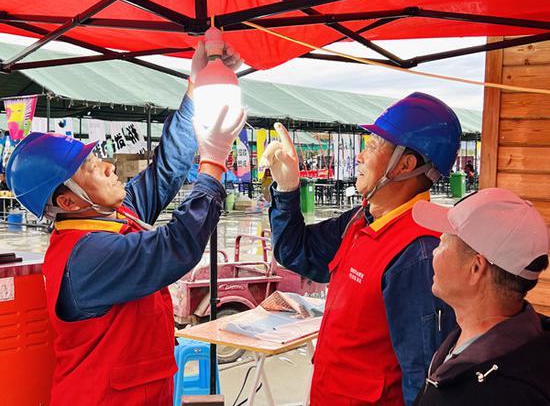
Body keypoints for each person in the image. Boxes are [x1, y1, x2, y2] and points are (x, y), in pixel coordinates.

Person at [5, 41, 245, 405]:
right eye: (89, 169)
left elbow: (165, 171)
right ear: (67, 201)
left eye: (97, 158)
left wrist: (194, 89)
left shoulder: (114, 216)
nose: (108, 166)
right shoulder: (86, 257)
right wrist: (213, 163)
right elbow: (176, 245)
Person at [261, 92, 462, 406]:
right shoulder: (361, 220)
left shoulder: (419, 253)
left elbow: (423, 375)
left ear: (404, 165)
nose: (360, 156)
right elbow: (294, 252)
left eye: (372, 145)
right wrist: (286, 191)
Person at [412, 188, 550, 405]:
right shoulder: (478, 337)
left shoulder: (503, 393)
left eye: (443, 242)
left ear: (476, 268)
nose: (434, 252)